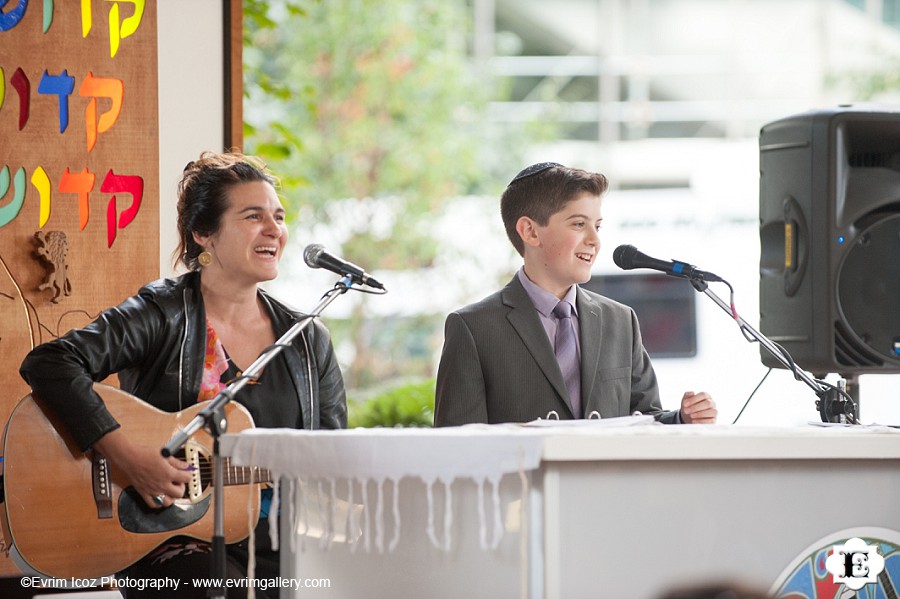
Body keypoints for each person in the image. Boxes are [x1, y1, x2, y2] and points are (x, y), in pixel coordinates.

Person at [19, 151, 347, 597]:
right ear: (203, 234)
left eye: (279, 216)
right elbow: (50, 363)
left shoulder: (308, 339)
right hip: (166, 538)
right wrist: (129, 459)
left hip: (280, 544)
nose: (275, 230)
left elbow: (331, 454)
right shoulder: (162, 313)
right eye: (254, 216)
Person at [433, 162, 716, 426]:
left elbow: (644, 420)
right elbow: (458, 448)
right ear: (530, 232)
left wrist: (681, 419)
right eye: (579, 224)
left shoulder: (620, 321)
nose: (595, 240)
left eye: (598, 226)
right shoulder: (474, 328)